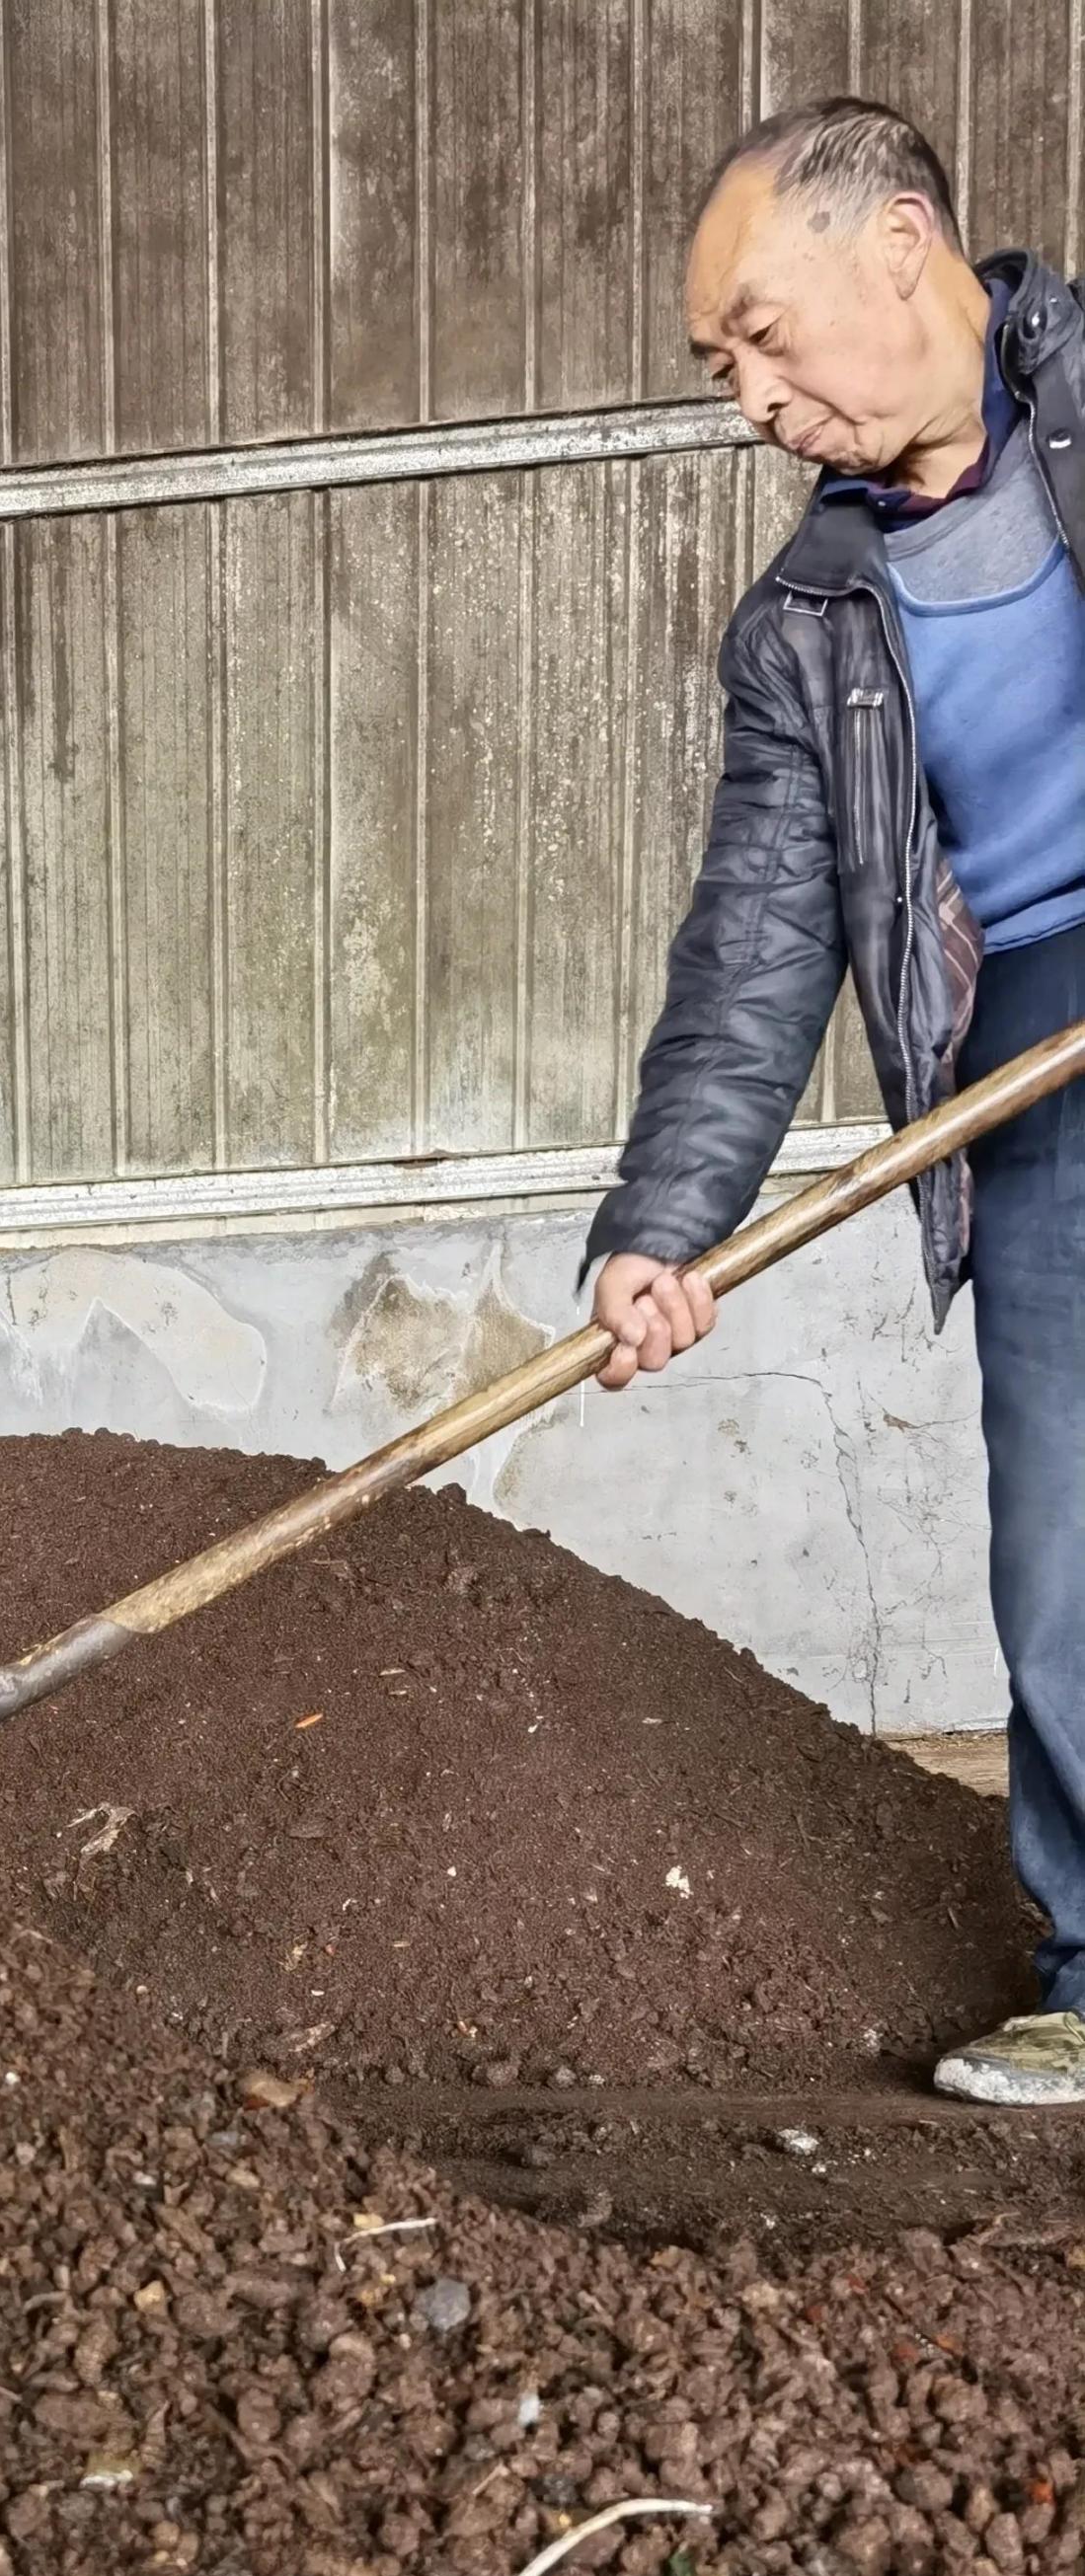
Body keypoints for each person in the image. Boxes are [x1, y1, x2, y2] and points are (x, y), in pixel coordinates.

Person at [589, 95, 1085, 2104]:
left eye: (762, 336)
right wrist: (659, 1226)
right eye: (720, 368)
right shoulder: (804, 626)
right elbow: (755, 943)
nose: (749, 401)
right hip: (1029, 1045)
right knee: (1062, 1536)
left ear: (899, 251)